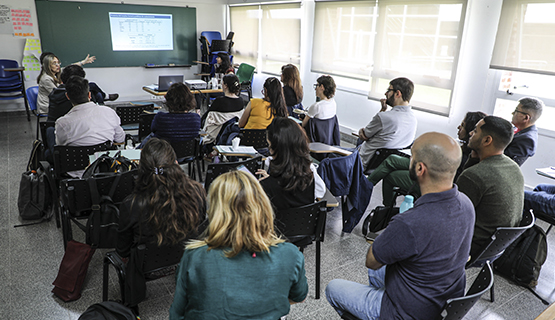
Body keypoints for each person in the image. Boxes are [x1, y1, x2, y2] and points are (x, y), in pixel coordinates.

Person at [326, 132, 475, 320]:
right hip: (440, 300)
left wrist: (394, 230)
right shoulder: (466, 204)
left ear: (420, 168)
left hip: (406, 312)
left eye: (411, 156)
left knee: (334, 287)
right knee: (378, 271)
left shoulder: (410, 221)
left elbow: (371, 260)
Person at [169, 170, 308, 320]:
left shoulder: (194, 256)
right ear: (262, 206)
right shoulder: (291, 255)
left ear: (215, 211)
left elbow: (177, 313)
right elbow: (299, 296)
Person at [117, 137, 206, 306]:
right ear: (176, 164)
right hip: (185, 257)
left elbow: (122, 249)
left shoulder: (131, 204)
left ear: (141, 169)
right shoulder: (197, 191)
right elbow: (199, 225)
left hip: (144, 268)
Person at [367, 111, 487, 206]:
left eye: (463, 125)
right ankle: (381, 203)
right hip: (430, 170)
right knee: (392, 162)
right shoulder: (465, 149)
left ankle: (367, 189)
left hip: (432, 179)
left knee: (391, 167)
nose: (458, 127)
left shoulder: (468, 155)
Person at [456, 115, 524, 259]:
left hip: (469, 245)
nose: (470, 133)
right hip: (493, 247)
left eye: (475, 131)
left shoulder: (474, 176)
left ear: (487, 140)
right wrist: (473, 159)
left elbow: (452, 216)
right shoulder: (513, 166)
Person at [53, 75, 125, 177]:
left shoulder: (62, 123)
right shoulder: (109, 112)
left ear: (67, 96)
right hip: (106, 172)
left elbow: (61, 146)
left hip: (75, 176)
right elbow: (120, 139)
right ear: (89, 94)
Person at [258, 117, 325, 211]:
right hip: (304, 225)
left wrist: (266, 182)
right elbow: (320, 192)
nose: (269, 150)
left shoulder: (265, 186)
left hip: (273, 225)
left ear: (277, 149)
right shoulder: (309, 174)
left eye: (269, 146)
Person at [358, 77, 417, 171]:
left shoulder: (384, 117)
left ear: (398, 93)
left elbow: (364, 135)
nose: (385, 93)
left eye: (389, 90)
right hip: (383, 165)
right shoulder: (413, 118)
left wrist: (361, 131)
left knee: (329, 156)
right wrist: (383, 110)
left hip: (362, 161)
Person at [139, 82, 200, 148]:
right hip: (186, 156)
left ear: (168, 99)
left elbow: (153, 129)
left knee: (151, 137)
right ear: (190, 99)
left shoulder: (161, 118)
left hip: (163, 155)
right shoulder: (196, 119)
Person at [202, 74, 244, 145]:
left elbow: (206, 116)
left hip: (216, 134)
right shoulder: (241, 101)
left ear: (225, 86)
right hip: (231, 133)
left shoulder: (219, 101)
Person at [504, 97, 544, 166]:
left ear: (526, 117)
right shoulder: (518, 129)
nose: (512, 113)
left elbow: (504, 163)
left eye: (516, 110)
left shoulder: (527, 140)